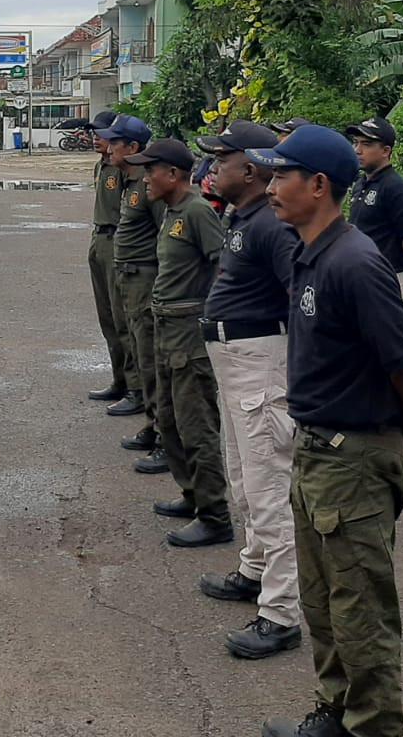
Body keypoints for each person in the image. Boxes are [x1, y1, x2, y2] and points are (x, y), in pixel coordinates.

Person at [247, 125, 403, 737]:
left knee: (361, 608)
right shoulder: (310, 250)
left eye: (281, 175)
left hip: (352, 457)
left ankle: (373, 727)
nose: (270, 185)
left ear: (319, 184)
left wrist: (398, 436)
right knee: (323, 600)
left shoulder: (356, 263)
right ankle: (337, 711)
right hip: (317, 449)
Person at [195, 121, 303, 660]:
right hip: (237, 361)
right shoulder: (247, 216)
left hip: (261, 363)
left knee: (268, 485)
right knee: (243, 474)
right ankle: (256, 569)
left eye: (223, 160)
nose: (214, 168)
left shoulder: (272, 226)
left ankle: (281, 612)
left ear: (252, 169)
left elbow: (302, 301)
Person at [127, 137, 234, 547]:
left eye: (150, 169)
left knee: (196, 424)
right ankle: (192, 495)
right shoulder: (172, 211)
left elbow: (222, 270)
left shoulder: (196, 212)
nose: (144, 177)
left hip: (189, 331)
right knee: (169, 419)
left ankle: (215, 514)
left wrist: (208, 319)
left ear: (173, 174)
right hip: (166, 327)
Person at [103, 115, 167, 457]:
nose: (109, 147)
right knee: (139, 350)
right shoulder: (128, 180)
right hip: (128, 274)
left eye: (116, 143)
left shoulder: (149, 184)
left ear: (133, 147)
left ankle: (162, 434)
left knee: (151, 356)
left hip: (145, 277)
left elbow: (164, 236)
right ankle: (152, 423)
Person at [86, 110, 140, 408]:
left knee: (124, 319)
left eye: (103, 134)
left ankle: (136, 388)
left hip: (119, 241)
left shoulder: (125, 168)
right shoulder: (102, 165)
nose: (97, 138)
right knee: (107, 317)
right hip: (100, 238)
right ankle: (119, 379)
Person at [345, 118, 403, 317]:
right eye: (356, 142)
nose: (357, 150)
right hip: (361, 278)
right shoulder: (361, 185)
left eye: (367, 144)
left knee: (391, 346)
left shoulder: (397, 189)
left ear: (386, 151)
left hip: (388, 281)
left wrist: (401, 269)